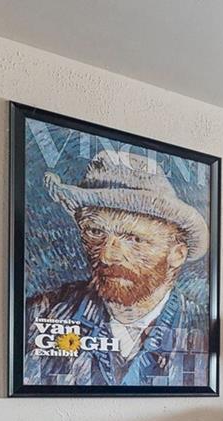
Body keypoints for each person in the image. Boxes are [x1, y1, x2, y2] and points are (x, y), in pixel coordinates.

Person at [24, 149, 211, 387]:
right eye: (95, 232)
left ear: (177, 254)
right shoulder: (40, 315)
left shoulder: (200, 328)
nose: (107, 254)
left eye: (134, 239)